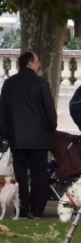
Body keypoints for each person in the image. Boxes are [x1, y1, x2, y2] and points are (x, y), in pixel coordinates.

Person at [0, 51, 57, 219]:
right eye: (37, 61)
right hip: (39, 138)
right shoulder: (41, 84)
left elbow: (2, 111)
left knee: (20, 174)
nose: (38, 65)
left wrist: (4, 133)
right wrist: (51, 127)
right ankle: (37, 209)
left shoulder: (9, 84)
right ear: (31, 62)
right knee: (39, 173)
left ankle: (22, 208)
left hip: (17, 137)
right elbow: (50, 112)